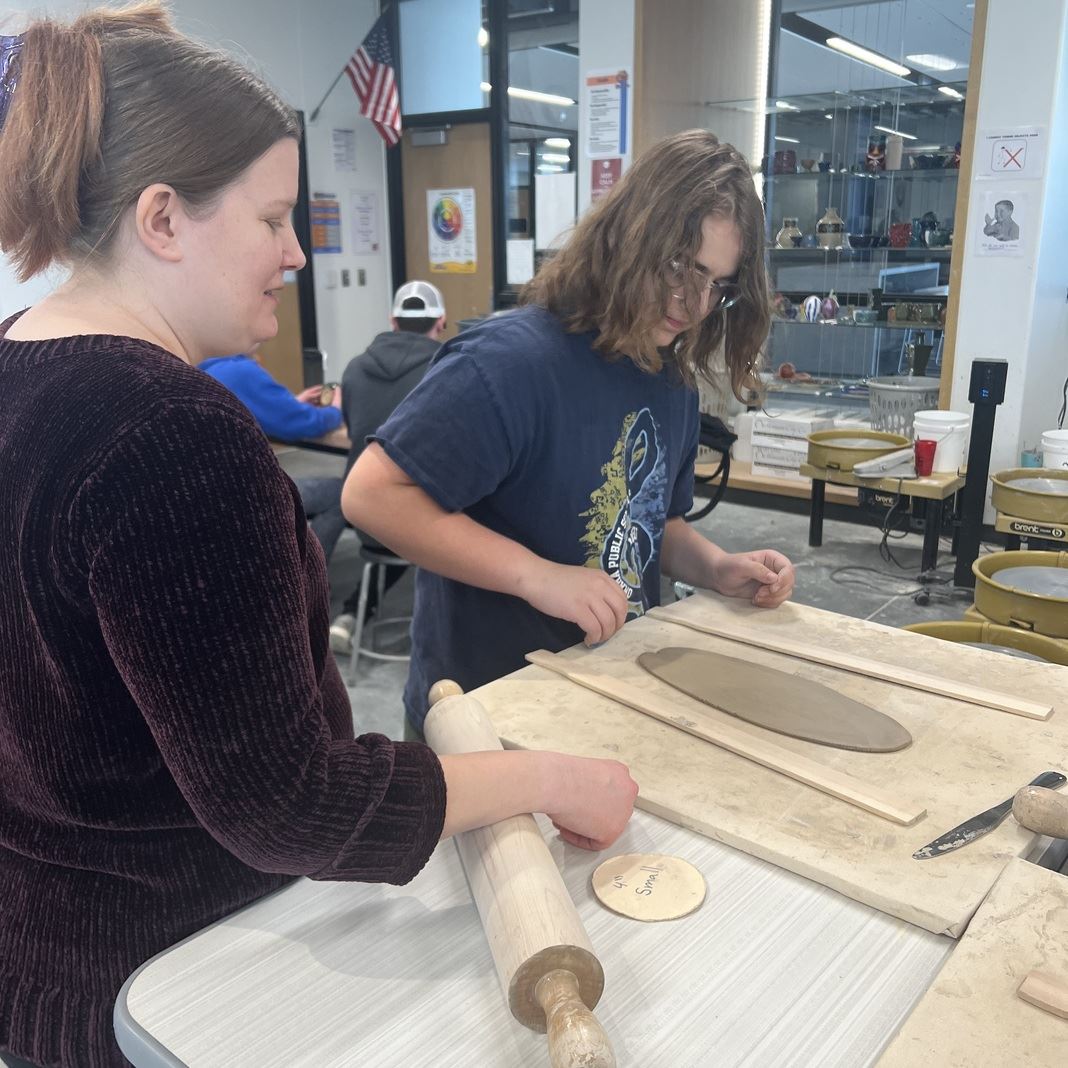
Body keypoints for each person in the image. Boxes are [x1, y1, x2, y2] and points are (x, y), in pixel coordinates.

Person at [0, 7, 636, 1067]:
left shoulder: (16, 361)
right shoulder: (173, 437)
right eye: (272, 219)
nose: (298, 253)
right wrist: (551, 780)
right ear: (163, 219)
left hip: (38, 957)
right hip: (171, 987)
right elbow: (288, 804)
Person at [343, 129, 797, 739]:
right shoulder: (510, 362)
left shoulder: (672, 384)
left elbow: (653, 525)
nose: (694, 302)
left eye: (717, 283)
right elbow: (373, 495)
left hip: (608, 688)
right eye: (679, 267)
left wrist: (715, 568)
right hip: (487, 710)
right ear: (628, 238)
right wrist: (538, 576)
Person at [329, 279, 446, 652]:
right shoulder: (445, 370)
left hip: (359, 512)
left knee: (397, 511)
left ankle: (352, 613)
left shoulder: (354, 368)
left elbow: (352, 427)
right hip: (414, 522)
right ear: (440, 321)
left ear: (392, 321)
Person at [199, 349, 350, 560]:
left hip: (212, 497)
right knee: (342, 494)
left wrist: (293, 405)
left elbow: (259, 415)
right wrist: (336, 409)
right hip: (248, 494)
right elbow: (308, 424)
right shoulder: (242, 372)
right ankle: (308, 575)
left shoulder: (206, 368)